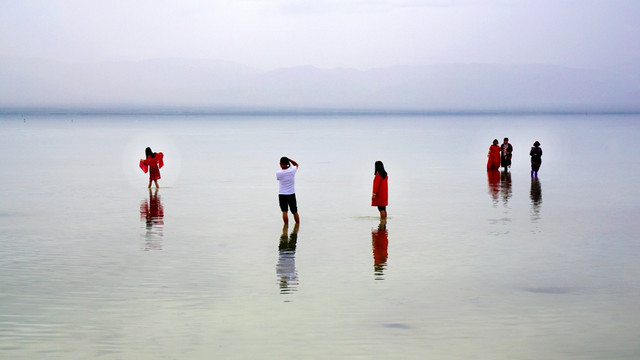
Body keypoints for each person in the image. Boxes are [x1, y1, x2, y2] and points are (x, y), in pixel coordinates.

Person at [276, 157, 300, 224]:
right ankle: (297, 226)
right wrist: (289, 159)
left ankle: (286, 227)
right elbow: (296, 164)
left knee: (284, 211)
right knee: (295, 211)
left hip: (282, 194)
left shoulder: (278, 173)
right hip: (291, 194)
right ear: (287, 163)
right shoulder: (292, 170)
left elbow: (278, 178)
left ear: (281, 164)